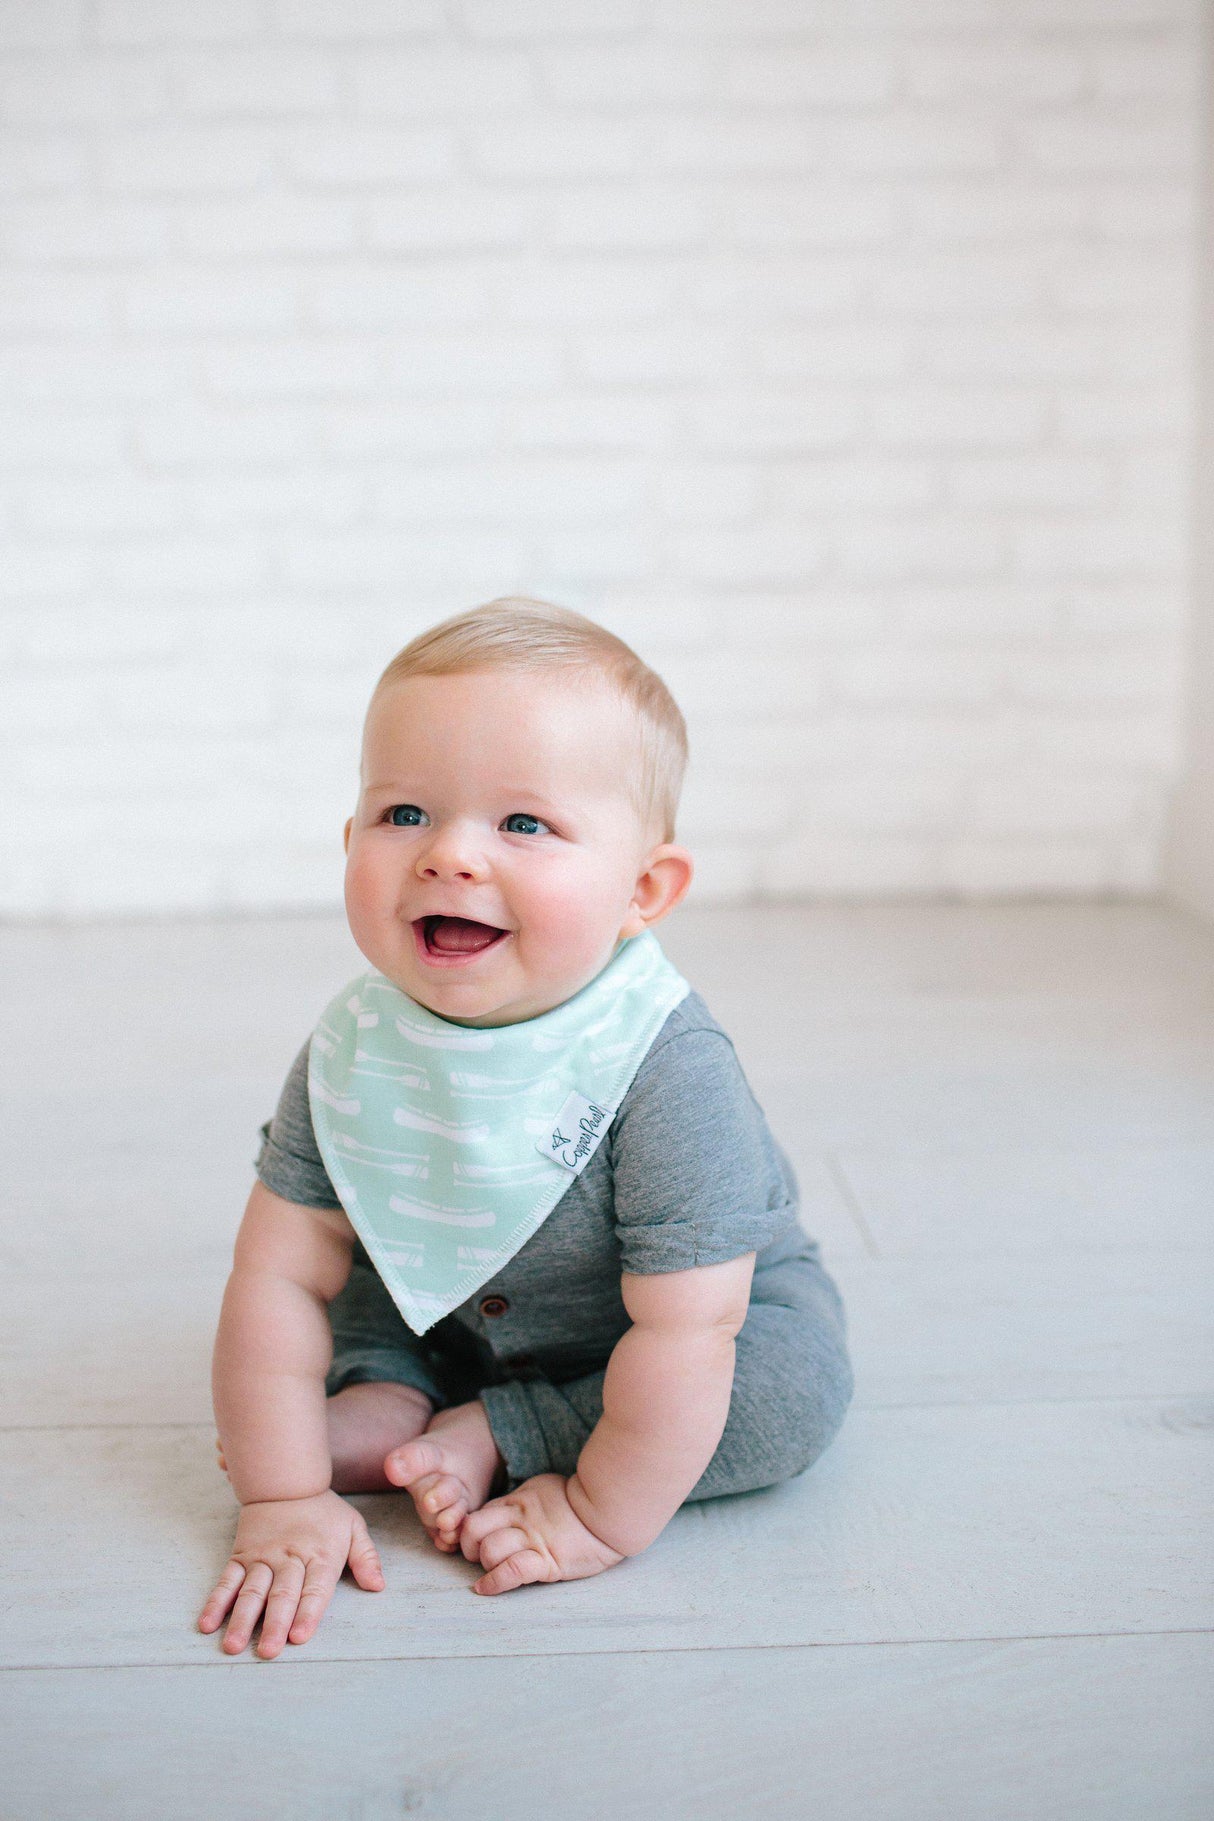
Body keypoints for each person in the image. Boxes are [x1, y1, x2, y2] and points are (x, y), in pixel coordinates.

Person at [199, 597, 852, 1660]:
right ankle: (393, 1387)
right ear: (349, 836)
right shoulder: (354, 1047)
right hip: (451, 1305)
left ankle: (502, 1427)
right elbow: (276, 1275)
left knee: (788, 1397)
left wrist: (593, 1510)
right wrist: (281, 1493)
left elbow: (687, 1329)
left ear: (641, 889)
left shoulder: (662, 1063)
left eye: (522, 824)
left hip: (670, 1330)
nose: (448, 855)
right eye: (403, 814)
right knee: (352, 1294)